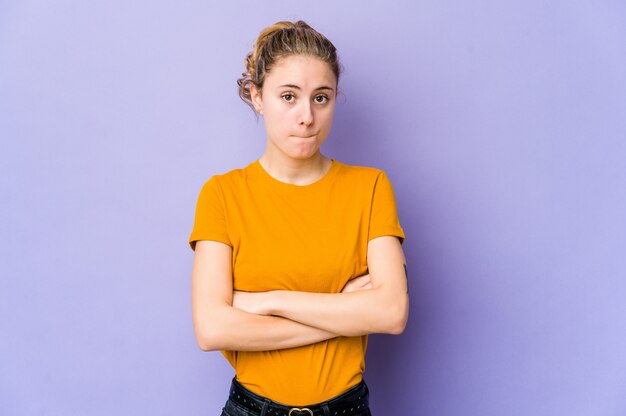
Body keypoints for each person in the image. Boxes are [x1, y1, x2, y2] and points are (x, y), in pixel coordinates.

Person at [188, 20, 408, 416]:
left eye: (320, 98)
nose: (306, 116)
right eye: (288, 96)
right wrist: (345, 313)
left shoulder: (371, 188)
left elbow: (391, 314)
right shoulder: (222, 194)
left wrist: (267, 302)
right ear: (257, 96)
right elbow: (212, 329)